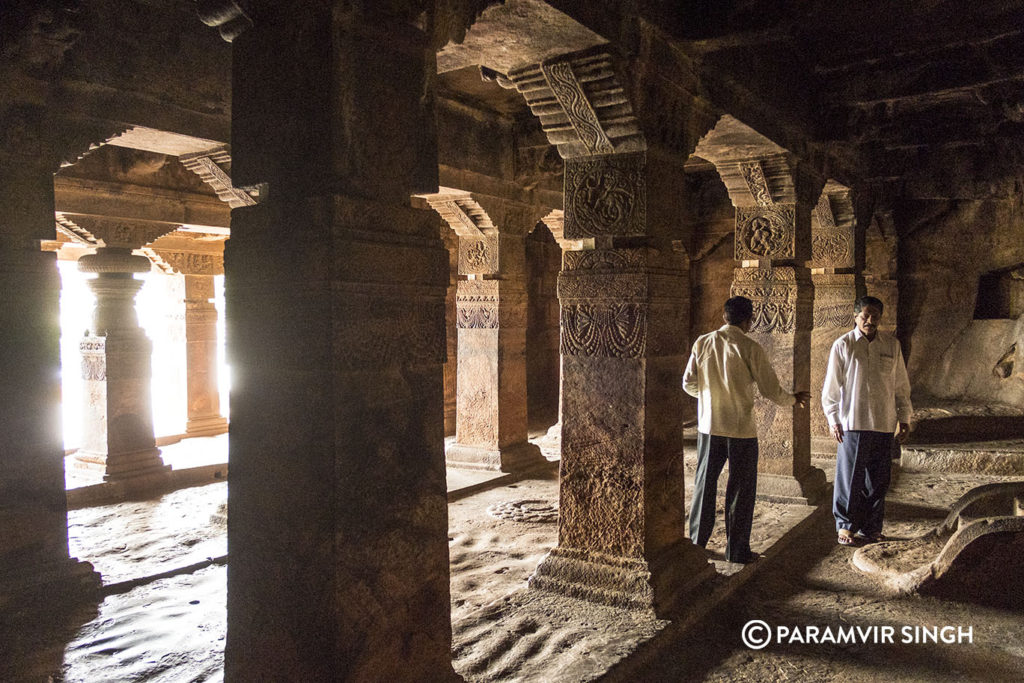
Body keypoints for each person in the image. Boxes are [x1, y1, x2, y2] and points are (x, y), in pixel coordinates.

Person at [683, 296, 810, 563]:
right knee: (740, 489)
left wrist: (708, 397)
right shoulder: (750, 347)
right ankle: (737, 551)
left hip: (709, 426)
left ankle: (697, 545)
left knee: (704, 486)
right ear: (748, 320)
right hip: (741, 429)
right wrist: (793, 399)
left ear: (724, 317)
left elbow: (688, 383)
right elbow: (770, 389)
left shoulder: (703, 342)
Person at [822, 296, 912, 546]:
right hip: (853, 422)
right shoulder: (843, 345)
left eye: (875, 316)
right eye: (865, 316)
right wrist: (833, 419)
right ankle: (846, 526)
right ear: (855, 316)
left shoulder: (891, 346)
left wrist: (904, 417)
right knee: (849, 478)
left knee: (878, 480)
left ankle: (872, 528)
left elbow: (901, 386)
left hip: (884, 422)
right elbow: (831, 388)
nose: (870, 321)